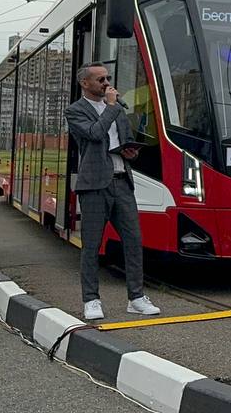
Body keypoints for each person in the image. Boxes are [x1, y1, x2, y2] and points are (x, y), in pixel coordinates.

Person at [65, 65, 161, 320]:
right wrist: (110, 107)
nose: (107, 83)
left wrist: (133, 152)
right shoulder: (75, 111)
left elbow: (126, 138)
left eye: (108, 78)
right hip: (95, 185)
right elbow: (94, 135)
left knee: (133, 241)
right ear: (85, 83)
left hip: (121, 181)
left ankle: (137, 297)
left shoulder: (116, 109)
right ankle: (91, 300)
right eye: (101, 79)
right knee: (92, 245)